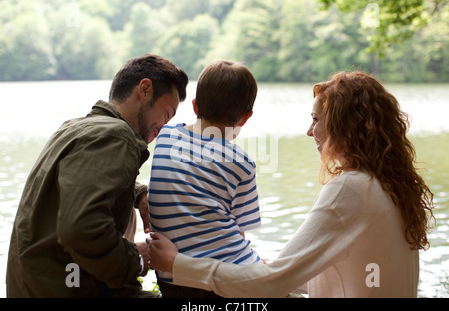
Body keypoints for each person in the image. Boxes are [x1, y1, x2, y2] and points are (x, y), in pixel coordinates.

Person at [148, 70, 435, 298]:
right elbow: (356, 278)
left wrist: (178, 265)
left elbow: (271, 285)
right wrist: (271, 269)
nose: (309, 132)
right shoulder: (387, 186)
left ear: (343, 127)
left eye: (316, 120)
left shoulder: (352, 189)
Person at [6, 54, 188, 298]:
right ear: (144, 90)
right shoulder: (116, 136)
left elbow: (81, 180)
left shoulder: (76, 128)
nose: (163, 128)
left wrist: (137, 192)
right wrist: (138, 259)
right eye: (166, 115)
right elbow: (81, 230)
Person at [147, 60, 262, 297]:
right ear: (246, 117)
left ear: (195, 106)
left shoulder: (165, 137)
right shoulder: (241, 162)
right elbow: (240, 232)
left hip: (170, 279)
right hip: (224, 281)